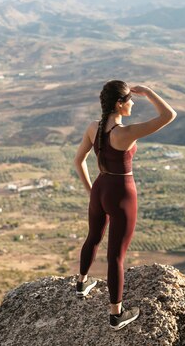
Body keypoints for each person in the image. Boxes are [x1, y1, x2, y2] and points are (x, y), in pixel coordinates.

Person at [73, 80, 177, 330]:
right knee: (116, 256)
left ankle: (81, 283)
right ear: (119, 105)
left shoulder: (93, 128)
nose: (133, 104)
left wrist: (92, 191)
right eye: (131, 100)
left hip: (100, 187)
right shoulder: (124, 133)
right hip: (121, 193)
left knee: (93, 238)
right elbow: (169, 115)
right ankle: (116, 315)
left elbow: (79, 161)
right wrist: (150, 91)